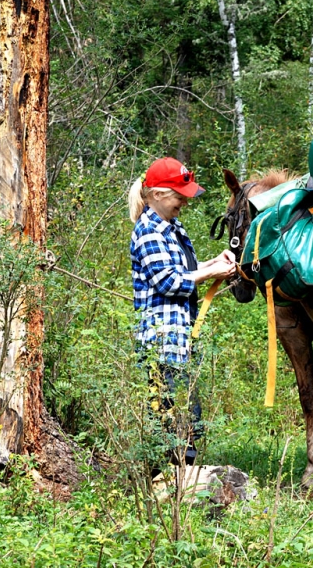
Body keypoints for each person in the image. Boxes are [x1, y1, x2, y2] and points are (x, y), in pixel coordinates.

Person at [128, 157, 236, 466]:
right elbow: (169, 282)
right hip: (160, 343)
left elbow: (184, 269)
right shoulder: (149, 230)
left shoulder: (173, 227)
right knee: (170, 421)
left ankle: (181, 489)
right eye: (179, 196)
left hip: (181, 341)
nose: (184, 203)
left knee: (189, 417)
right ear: (158, 194)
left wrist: (214, 264)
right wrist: (210, 274)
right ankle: (168, 488)